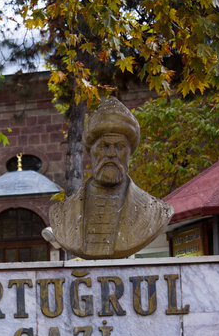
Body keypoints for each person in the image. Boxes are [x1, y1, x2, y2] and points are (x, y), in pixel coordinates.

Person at [46, 97, 173, 259]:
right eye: (103, 146)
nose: (111, 154)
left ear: (129, 153)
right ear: (91, 152)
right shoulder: (61, 213)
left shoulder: (155, 211)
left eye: (120, 147)